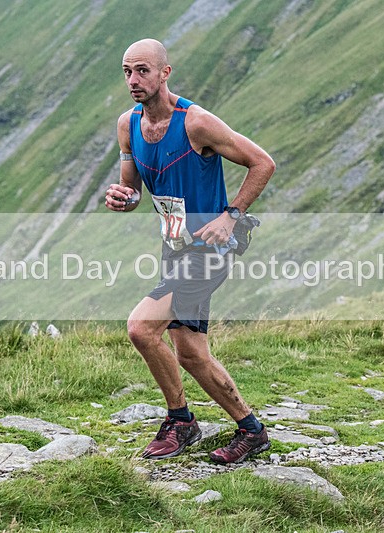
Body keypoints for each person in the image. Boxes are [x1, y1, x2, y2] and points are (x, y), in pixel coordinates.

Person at [104, 38, 276, 464]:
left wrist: (230, 214)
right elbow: (133, 187)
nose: (133, 80)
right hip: (176, 244)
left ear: (165, 73)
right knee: (191, 353)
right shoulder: (129, 124)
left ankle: (180, 421)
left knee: (142, 329)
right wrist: (123, 198)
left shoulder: (196, 123)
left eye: (142, 70)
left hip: (211, 249)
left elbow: (263, 163)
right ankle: (250, 431)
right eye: (127, 71)